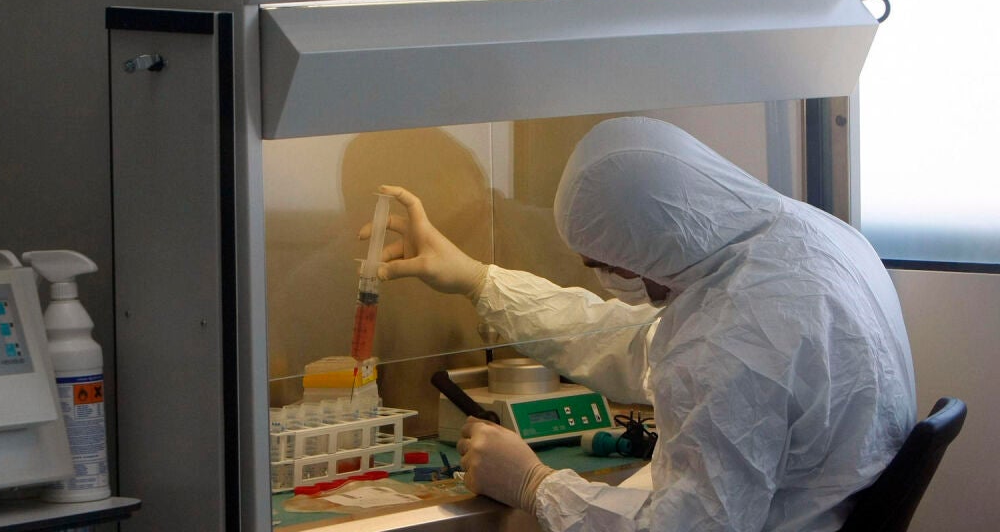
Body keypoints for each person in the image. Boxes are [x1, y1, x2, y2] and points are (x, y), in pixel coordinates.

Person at [365, 117, 916, 531]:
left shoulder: (735, 336)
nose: (613, 281)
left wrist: (536, 485)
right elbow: (639, 344)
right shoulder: (801, 239)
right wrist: (477, 279)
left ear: (655, 243)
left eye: (610, 266)